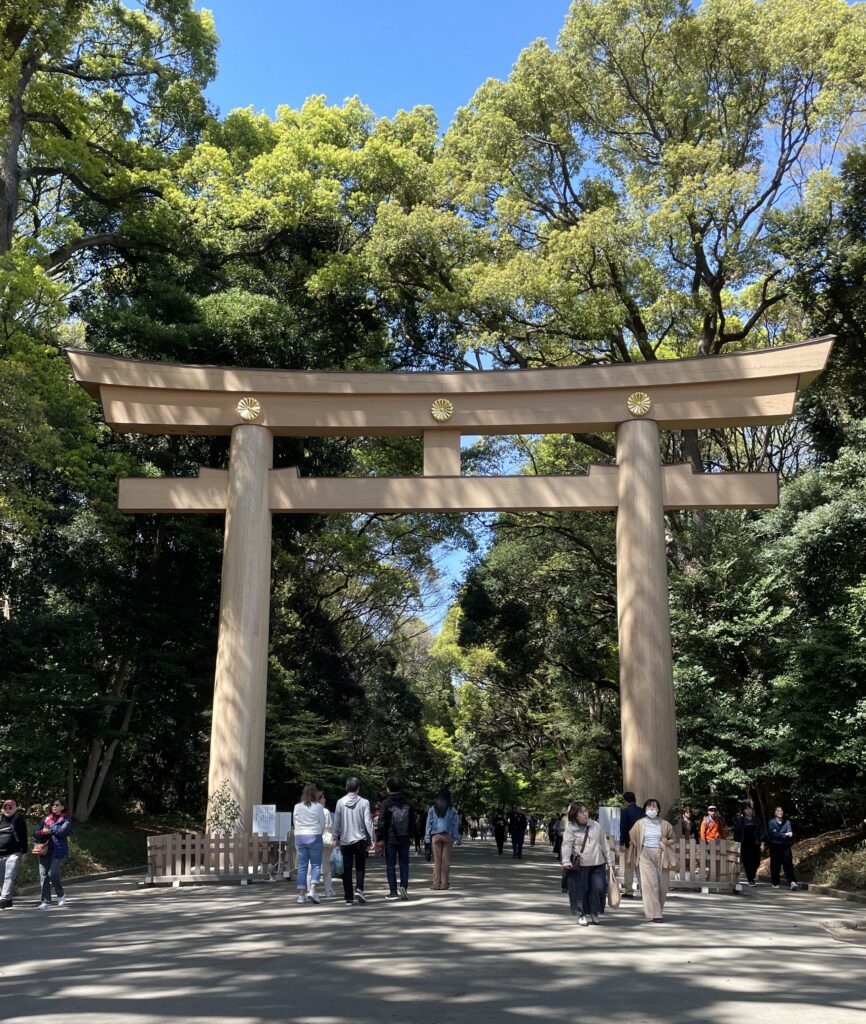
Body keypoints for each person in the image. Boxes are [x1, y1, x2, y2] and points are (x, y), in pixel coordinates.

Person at [561, 802, 613, 926]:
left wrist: (610, 860)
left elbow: (604, 843)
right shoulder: (571, 828)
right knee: (580, 891)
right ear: (575, 815)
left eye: (586, 811)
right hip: (580, 865)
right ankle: (582, 914)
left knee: (598, 888)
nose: (585, 814)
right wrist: (566, 860)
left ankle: (594, 912)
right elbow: (567, 845)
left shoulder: (596, 826)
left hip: (597, 863)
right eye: (581, 812)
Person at [628, 798, 676, 923]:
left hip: (661, 853)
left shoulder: (665, 824)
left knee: (662, 885)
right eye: (649, 807)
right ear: (645, 809)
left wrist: (667, 841)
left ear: (658, 809)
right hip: (645, 854)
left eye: (654, 807)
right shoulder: (639, 824)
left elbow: (673, 838)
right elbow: (632, 838)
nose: (652, 809)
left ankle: (657, 909)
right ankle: (656, 914)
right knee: (650, 884)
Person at [332, 776, 374, 905]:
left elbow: (337, 822)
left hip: (345, 840)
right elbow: (368, 821)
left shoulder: (340, 802)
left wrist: (335, 836)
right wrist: (372, 837)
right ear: (358, 788)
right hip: (360, 839)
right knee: (360, 867)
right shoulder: (364, 802)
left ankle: (348, 897)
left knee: (347, 868)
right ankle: (359, 889)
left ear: (346, 787)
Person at [376, 776, 415, 901]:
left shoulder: (386, 803)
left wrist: (379, 839)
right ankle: (404, 887)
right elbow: (413, 821)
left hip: (391, 837)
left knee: (390, 865)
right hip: (404, 837)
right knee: (404, 863)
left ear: (388, 789)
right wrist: (411, 835)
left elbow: (381, 822)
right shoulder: (408, 802)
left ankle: (393, 891)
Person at [34, 798, 72, 909]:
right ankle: (46, 901)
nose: (54, 807)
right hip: (44, 849)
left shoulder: (66, 819)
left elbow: (62, 832)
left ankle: (61, 895)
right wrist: (42, 832)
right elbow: (35, 833)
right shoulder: (45, 819)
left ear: (62, 807)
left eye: (57, 805)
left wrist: (50, 827)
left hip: (58, 850)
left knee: (52, 873)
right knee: (44, 875)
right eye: (53, 805)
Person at [293, 782, 325, 905]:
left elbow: (295, 823)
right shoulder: (318, 807)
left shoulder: (297, 806)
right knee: (316, 865)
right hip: (314, 836)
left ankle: (301, 895)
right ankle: (312, 890)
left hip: (300, 837)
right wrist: (319, 833)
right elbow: (322, 823)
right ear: (315, 794)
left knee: (302, 866)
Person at [425, 787, 460, 890]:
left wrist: (427, 838)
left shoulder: (433, 808)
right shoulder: (452, 809)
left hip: (435, 836)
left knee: (437, 861)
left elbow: (428, 824)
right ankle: (444, 884)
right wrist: (455, 837)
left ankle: (436, 884)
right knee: (446, 861)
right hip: (447, 836)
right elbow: (455, 824)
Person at [0, 798, 28, 909]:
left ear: (15, 808)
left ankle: (3, 898)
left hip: (14, 853)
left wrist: (24, 852)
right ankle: (8, 899)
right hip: (0, 853)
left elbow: (23, 837)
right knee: (1, 878)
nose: (8, 809)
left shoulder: (19, 820)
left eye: (10, 807)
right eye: (5, 807)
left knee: (9, 875)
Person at [619, 791, 645, 897]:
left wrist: (621, 842)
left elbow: (623, 828)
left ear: (625, 801)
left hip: (629, 843)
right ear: (635, 799)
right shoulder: (642, 811)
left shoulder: (625, 812)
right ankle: (644, 892)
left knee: (629, 867)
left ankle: (629, 891)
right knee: (641, 868)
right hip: (641, 843)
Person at [767, 806, 798, 890]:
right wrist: (785, 834)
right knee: (775, 865)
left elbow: (791, 834)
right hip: (774, 846)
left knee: (788, 864)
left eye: (781, 810)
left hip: (785, 846)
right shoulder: (771, 822)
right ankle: (775, 882)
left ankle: (792, 882)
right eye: (778, 810)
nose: (780, 812)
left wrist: (780, 834)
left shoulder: (787, 822)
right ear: (775, 813)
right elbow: (772, 834)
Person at [733, 805, 765, 887]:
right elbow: (737, 833)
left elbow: (761, 832)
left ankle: (752, 876)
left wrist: (762, 843)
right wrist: (737, 844)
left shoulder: (757, 820)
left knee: (756, 862)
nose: (749, 811)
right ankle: (750, 879)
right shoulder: (741, 821)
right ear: (744, 811)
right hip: (744, 845)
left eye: (750, 809)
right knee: (747, 862)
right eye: (747, 809)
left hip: (755, 844)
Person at [316, 790, 338, 898]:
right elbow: (329, 827)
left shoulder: (309, 810)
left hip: (311, 841)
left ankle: (311, 890)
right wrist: (334, 839)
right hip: (324, 841)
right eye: (323, 798)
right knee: (326, 866)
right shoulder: (325, 811)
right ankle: (328, 890)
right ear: (319, 799)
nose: (325, 800)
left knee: (311, 867)